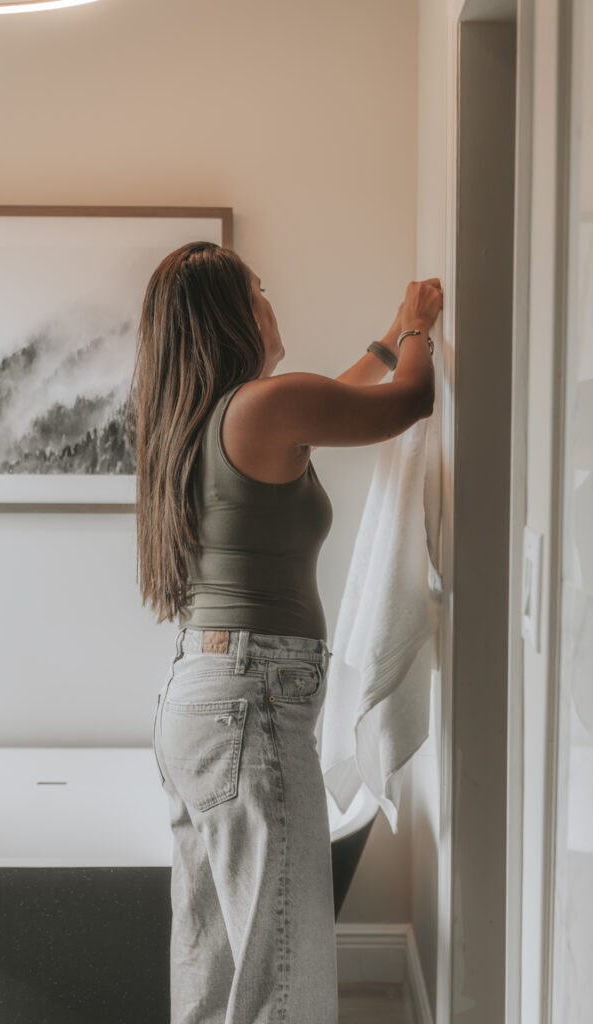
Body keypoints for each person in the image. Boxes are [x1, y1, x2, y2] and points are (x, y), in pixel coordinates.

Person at [127, 241, 442, 1024]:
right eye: (259, 292)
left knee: (217, 961)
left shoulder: (203, 419)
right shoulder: (263, 407)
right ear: (232, 317)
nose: (272, 304)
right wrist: (419, 333)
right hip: (251, 701)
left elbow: (331, 397)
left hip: (198, 705)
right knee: (284, 975)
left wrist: (387, 333)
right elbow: (409, 401)